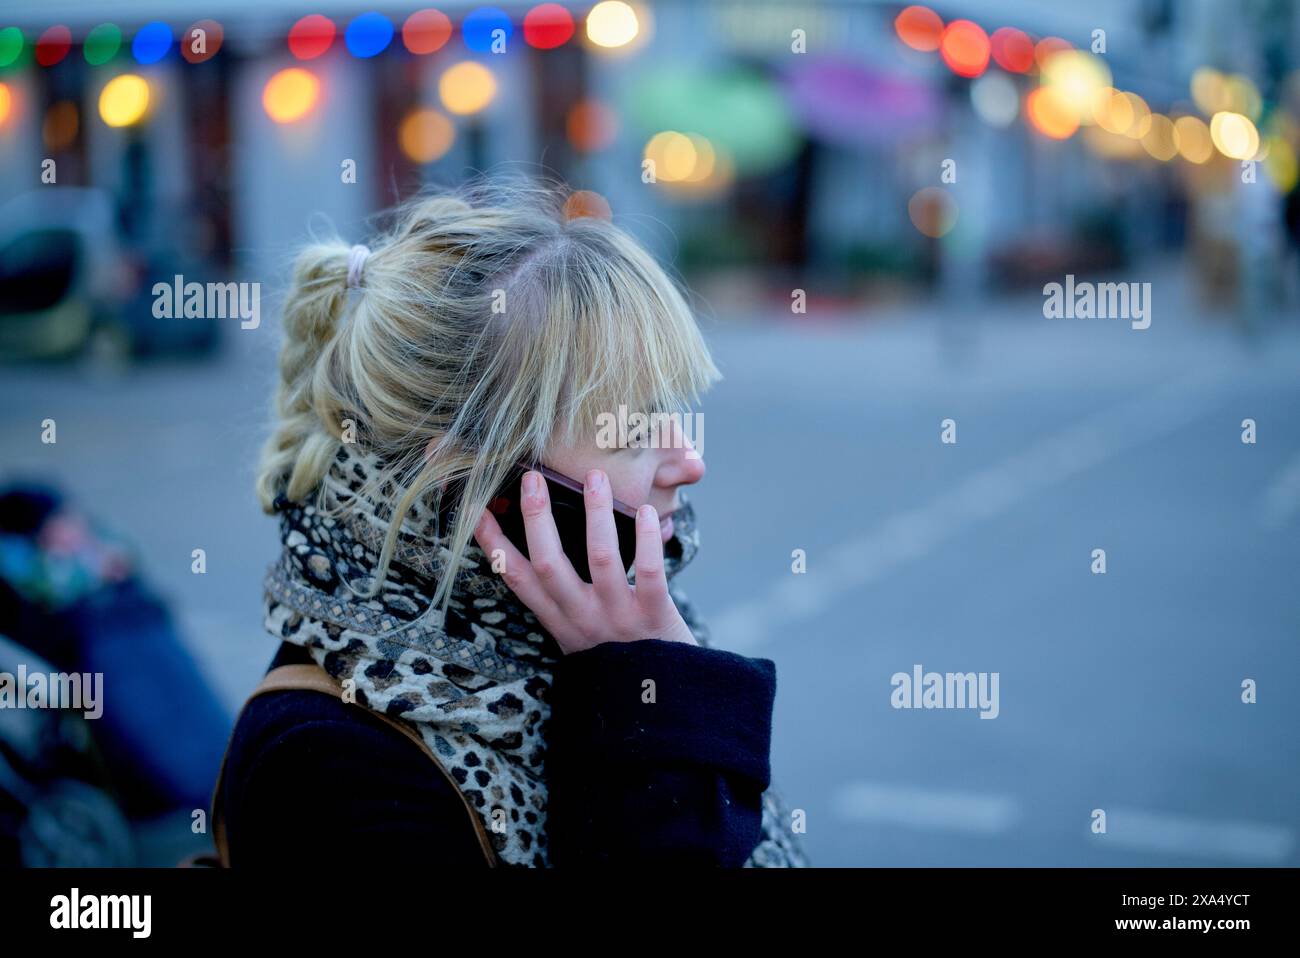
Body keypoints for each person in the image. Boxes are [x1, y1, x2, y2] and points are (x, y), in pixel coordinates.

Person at [214, 173, 809, 867]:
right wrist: (652, 713)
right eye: (634, 430)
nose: (688, 462)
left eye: (673, 409)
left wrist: (647, 679)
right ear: (475, 482)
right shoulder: (328, 761)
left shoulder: (603, 626)